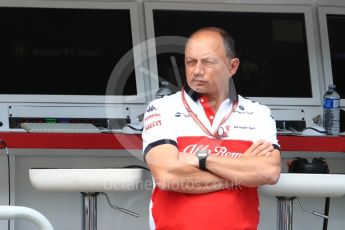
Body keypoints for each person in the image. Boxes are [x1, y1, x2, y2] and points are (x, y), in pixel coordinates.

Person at [142, 27, 281, 230]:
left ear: (232, 67)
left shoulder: (258, 113)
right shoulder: (162, 108)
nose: (197, 70)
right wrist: (241, 171)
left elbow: (268, 171)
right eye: (191, 62)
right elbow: (167, 176)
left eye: (207, 62)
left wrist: (201, 159)